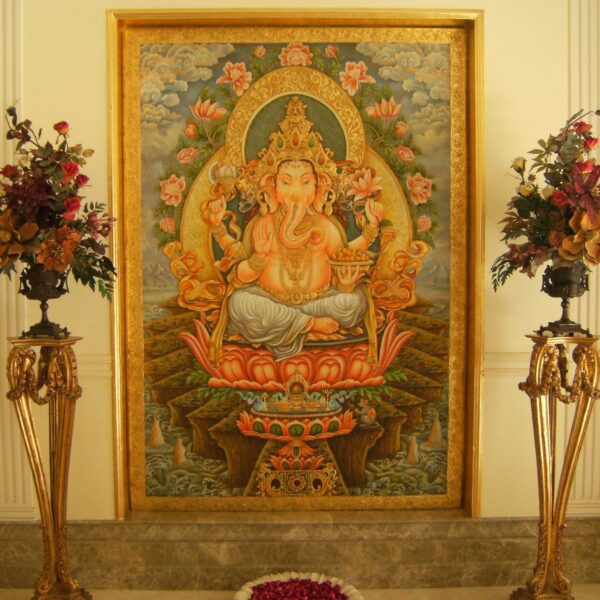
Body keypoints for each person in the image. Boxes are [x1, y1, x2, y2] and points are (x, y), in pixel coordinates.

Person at [205, 97, 382, 363]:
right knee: (240, 303)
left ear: (318, 188)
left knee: (353, 302)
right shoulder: (264, 224)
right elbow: (239, 276)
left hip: (319, 301)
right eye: (286, 182)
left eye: (306, 182)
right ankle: (308, 324)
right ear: (272, 188)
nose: (296, 192)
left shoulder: (325, 225)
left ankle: (298, 321)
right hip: (272, 301)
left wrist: (368, 235)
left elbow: (345, 257)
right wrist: (257, 257)